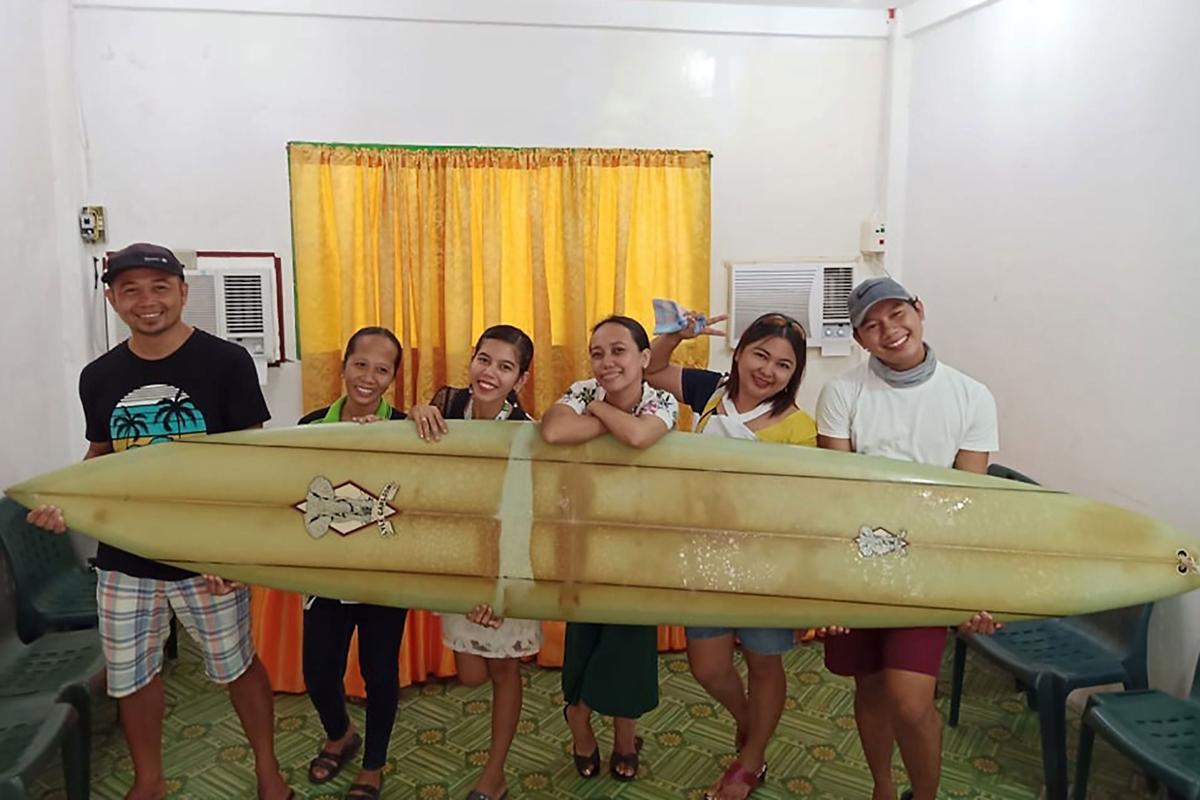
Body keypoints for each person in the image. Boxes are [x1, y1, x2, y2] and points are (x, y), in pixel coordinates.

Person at [25, 242, 292, 800]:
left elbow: (253, 463)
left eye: (159, 287)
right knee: (132, 676)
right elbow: (102, 452)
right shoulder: (99, 375)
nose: (146, 301)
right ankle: (150, 781)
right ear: (112, 299)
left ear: (182, 292)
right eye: (130, 290)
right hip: (125, 556)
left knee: (237, 666)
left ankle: (269, 773)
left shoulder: (226, 362)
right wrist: (63, 501)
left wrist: (237, 553)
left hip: (206, 554)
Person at [816, 276, 1001, 800]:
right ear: (859, 338)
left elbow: (967, 503)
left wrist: (972, 589)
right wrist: (829, 583)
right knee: (870, 688)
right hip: (858, 565)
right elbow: (837, 495)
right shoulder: (842, 393)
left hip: (925, 567)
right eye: (871, 325)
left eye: (897, 315)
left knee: (912, 700)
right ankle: (882, 786)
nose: (888, 331)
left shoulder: (971, 396)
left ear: (919, 310)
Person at [646, 309, 833, 799]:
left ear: (795, 376)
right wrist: (674, 337)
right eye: (761, 355)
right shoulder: (712, 391)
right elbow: (652, 372)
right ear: (741, 352)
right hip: (704, 555)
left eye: (784, 365)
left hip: (764, 564)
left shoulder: (798, 427)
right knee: (708, 666)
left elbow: (804, 510)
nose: (768, 370)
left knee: (764, 662)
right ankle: (752, 721)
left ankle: (750, 761)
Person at [540, 315, 679, 782]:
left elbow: (641, 437)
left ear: (644, 358)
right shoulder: (582, 390)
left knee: (630, 646)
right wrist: (608, 417)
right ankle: (579, 725)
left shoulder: (662, 400)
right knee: (585, 637)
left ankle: (624, 738)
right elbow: (555, 431)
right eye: (597, 352)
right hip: (583, 539)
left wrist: (598, 414)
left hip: (641, 544)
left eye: (618, 351)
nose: (605, 362)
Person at [406, 324, 540, 800]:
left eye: (506, 367)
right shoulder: (445, 404)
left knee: (504, 670)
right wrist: (413, 414)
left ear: (520, 379)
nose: (490, 373)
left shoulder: (525, 430)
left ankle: (494, 774)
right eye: (485, 360)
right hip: (456, 561)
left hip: (504, 562)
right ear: (472, 359)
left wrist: (501, 591)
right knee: (470, 672)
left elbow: (524, 517)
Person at [297, 326, 408, 800]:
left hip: (383, 575)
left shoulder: (408, 429)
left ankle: (373, 764)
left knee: (379, 672)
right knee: (318, 671)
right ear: (343, 367)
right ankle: (340, 733)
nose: (369, 377)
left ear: (393, 379)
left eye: (382, 370)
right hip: (326, 572)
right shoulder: (308, 427)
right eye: (360, 365)